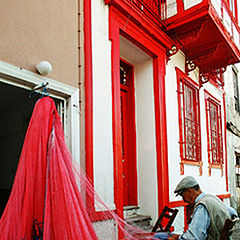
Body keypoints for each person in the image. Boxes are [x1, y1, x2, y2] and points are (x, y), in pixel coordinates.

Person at [154, 176, 238, 240]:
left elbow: (193, 237)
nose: (182, 199)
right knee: (163, 235)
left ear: (190, 191)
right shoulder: (211, 197)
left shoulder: (202, 206)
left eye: (182, 195)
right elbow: (233, 213)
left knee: (157, 236)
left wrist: (178, 238)